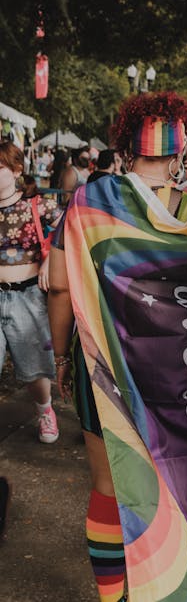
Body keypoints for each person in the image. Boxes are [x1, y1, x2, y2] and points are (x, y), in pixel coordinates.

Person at [48, 91, 187, 602]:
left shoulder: (89, 202)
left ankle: (113, 598)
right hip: (184, 379)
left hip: (104, 368)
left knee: (109, 492)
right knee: (178, 486)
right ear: (180, 153)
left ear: (126, 148)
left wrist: (62, 356)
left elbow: (61, 287)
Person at [0, 141, 62, 444]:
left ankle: (45, 410)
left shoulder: (38, 206)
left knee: (34, 366)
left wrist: (50, 258)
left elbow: (69, 231)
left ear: (16, 170)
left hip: (28, 296)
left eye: (0, 168)